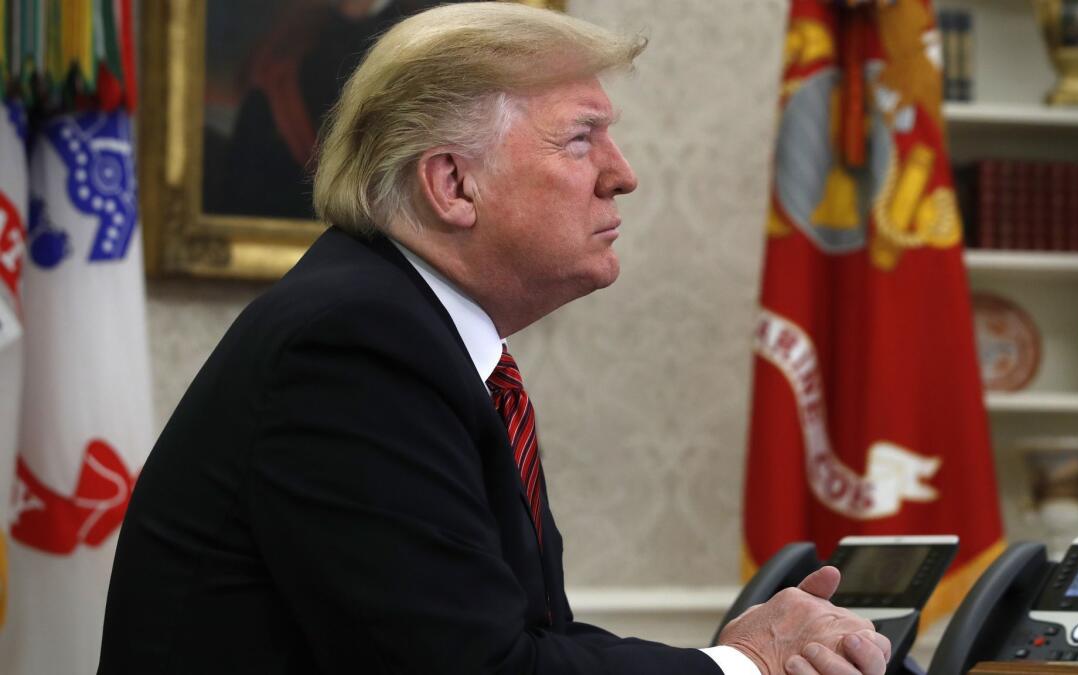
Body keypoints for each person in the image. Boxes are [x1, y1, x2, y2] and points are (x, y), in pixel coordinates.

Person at [98, 4, 891, 674]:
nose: (622, 173)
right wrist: (742, 663)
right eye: (582, 139)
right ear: (452, 184)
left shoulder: (417, 334)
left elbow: (525, 640)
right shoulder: (353, 347)